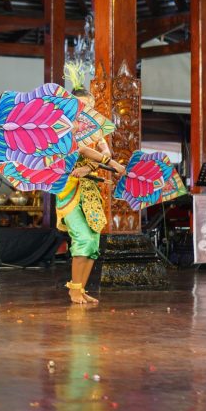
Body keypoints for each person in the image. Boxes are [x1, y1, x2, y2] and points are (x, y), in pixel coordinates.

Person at [54, 62, 125, 305]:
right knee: (82, 238)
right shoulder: (63, 128)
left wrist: (93, 167)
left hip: (91, 189)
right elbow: (82, 149)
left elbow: (105, 151)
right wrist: (108, 163)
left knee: (93, 242)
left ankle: (81, 288)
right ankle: (73, 290)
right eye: (81, 106)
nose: (85, 110)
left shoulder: (95, 130)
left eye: (89, 106)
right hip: (69, 189)